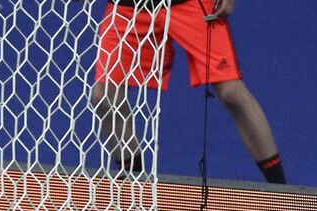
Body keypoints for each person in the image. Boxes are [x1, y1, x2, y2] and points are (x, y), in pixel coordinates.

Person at [87, 0, 286, 183]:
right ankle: (134, 192)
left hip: (191, 3)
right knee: (105, 98)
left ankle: (281, 193)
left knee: (232, 93)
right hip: (129, 7)